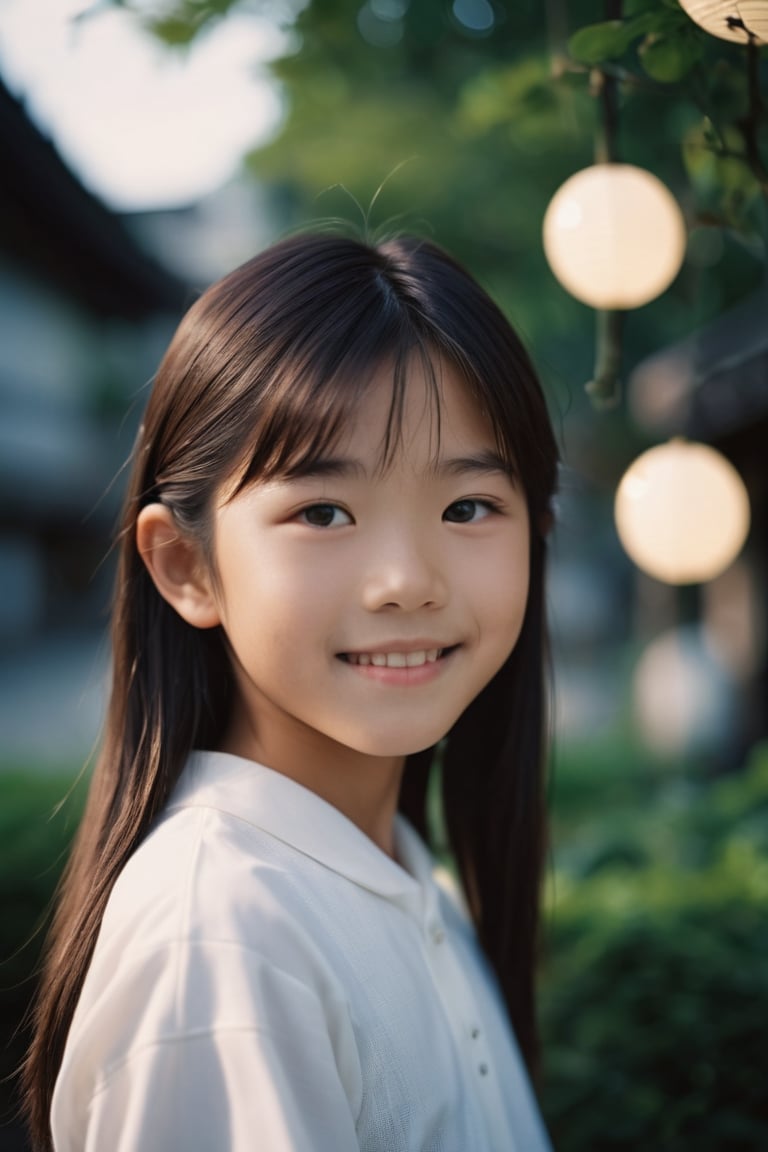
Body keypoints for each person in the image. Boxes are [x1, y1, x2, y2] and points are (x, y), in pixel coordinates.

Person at [23, 232, 559, 1151]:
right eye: (323, 513)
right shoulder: (225, 942)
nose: (406, 581)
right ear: (187, 566)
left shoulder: (394, 869)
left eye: (468, 507)